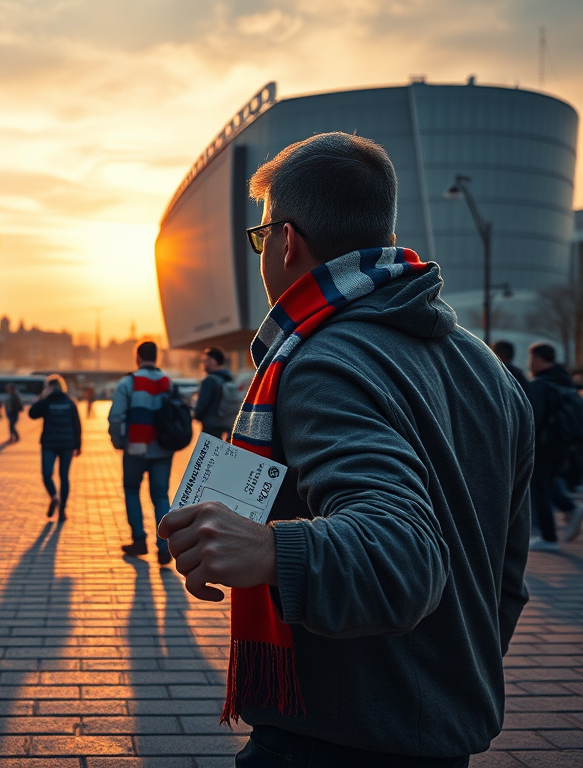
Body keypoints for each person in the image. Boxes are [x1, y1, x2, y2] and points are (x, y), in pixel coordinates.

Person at [157, 132, 532, 766]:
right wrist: (441, 679)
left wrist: (271, 548)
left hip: (332, 738)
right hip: (442, 729)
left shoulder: (323, 362)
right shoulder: (486, 369)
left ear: (284, 240)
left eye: (259, 238)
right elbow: (507, 577)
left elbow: (406, 554)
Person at [108, 340, 175, 566]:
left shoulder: (128, 383)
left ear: (137, 357)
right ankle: (164, 549)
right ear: (157, 357)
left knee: (131, 491)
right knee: (160, 496)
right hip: (163, 449)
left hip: (135, 449)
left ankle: (139, 540)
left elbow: (116, 417)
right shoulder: (168, 382)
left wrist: (119, 443)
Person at [525, 341, 583, 548]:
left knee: (539, 486)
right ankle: (569, 507)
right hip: (563, 443)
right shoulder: (564, 381)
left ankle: (549, 537)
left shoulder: (540, 385)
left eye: (530, 358)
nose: (529, 363)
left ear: (539, 359)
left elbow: (535, 418)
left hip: (544, 443)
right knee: (548, 481)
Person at [28, 374, 82, 520]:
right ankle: (62, 510)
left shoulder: (46, 402)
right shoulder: (70, 402)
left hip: (49, 445)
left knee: (47, 475)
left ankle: (54, 496)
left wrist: (41, 398)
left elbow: (32, 414)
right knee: (64, 477)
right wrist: (78, 445)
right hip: (67, 445)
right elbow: (77, 425)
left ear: (48, 388)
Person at [192, 346, 235, 440]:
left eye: (205, 360)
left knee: (208, 452)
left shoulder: (209, 380)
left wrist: (195, 415)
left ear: (213, 361)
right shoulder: (228, 378)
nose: (203, 363)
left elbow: (203, 403)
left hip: (211, 425)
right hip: (225, 421)